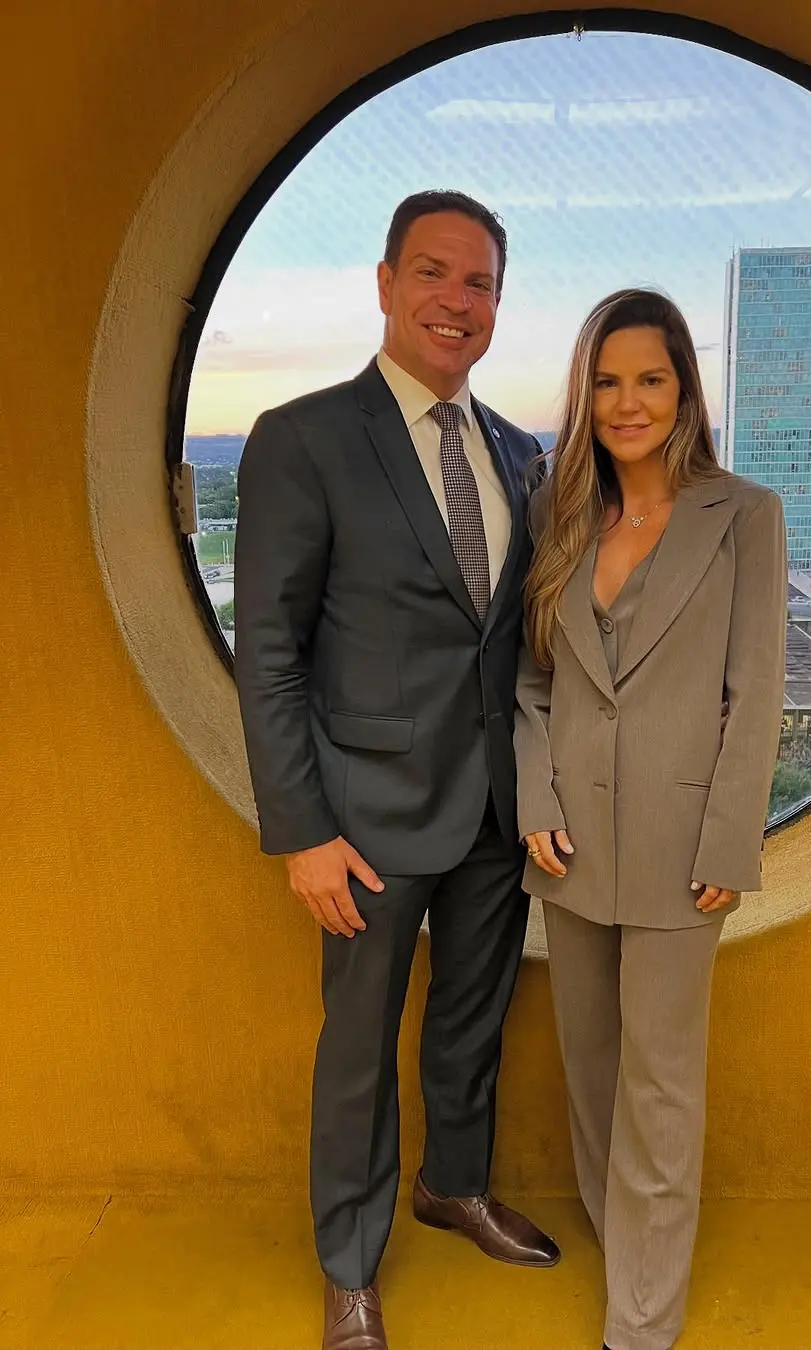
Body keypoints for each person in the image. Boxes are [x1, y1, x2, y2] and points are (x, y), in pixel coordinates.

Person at [234, 190, 560, 1350]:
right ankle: (350, 1263)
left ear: (498, 305)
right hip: (363, 819)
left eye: (479, 283)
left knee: (473, 1020)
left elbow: (519, 642)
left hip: (496, 810)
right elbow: (270, 651)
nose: (456, 301)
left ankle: (452, 1186)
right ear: (384, 283)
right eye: (433, 272)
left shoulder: (523, 453)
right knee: (359, 1050)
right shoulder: (303, 438)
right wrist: (301, 830)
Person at [515, 289, 788, 1350]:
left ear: (685, 392)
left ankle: (640, 1322)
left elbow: (754, 693)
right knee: (592, 1072)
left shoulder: (745, 516)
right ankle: (623, 1235)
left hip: (684, 850)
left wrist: (730, 840)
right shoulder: (558, 518)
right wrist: (535, 798)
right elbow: (532, 686)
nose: (629, 402)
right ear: (585, 395)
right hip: (570, 842)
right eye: (608, 381)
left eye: (652, 379)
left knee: (661, 1087)